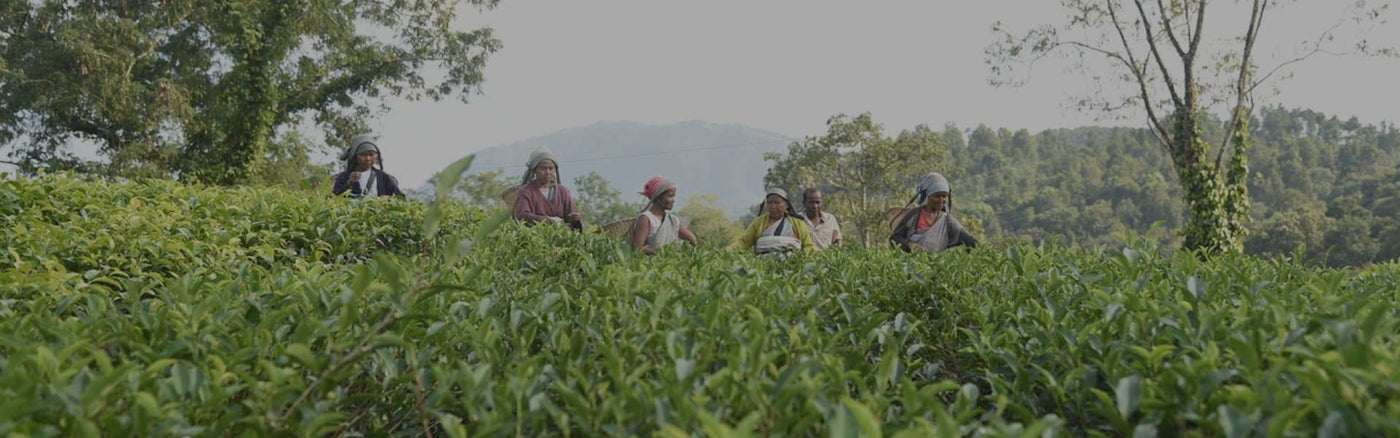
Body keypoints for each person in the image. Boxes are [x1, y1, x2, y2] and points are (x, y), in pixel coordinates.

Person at [890, 172, 978, 252]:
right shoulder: (914, 215)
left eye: (944, 196)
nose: (941, 200)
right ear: (928, 196)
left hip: (935, 265)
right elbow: (894, 238)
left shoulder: (948, 221)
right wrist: (911, 245)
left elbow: (970, 241)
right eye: (936, 196)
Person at [513, 147, 583, 231]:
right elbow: (522, 216)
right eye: (543, 168)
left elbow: (569, 216)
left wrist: (573, 218)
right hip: (535, 238)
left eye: (551, 168)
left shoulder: (563, 191)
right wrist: (543, 220)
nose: (547, 172)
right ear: (535, 170)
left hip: (560, 237)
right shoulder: (526, 191)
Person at [730, 187, 815, 254]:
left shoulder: (797, 223)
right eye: (770, 203)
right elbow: (744, 242)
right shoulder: (759, 222)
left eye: (777, 203)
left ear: (786, 205)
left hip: (791, 266)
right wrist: (728, 251)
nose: (773, 206)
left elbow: (808, 246)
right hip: (763, 266)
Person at [628, 177, 699, 253]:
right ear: (658, 197)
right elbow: (637, 249)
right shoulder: (646, 218)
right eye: (670, 196)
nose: (673, 200)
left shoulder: (673, 220)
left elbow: (694, 241)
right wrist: (661, 252)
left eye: (673, 196)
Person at [331, 134, 406, 198]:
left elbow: (400, 197)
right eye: (363, 155)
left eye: (371, 155)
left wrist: (388, 199)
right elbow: (334, 197)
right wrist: (349, 183)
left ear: (376, 156)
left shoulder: (383, 177)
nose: (368, 158)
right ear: (355, 156)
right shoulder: (343, 177)